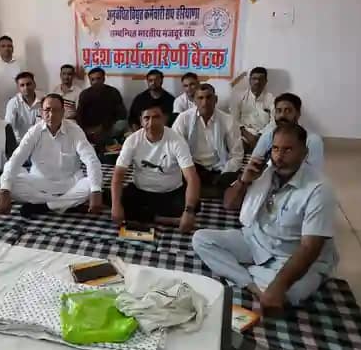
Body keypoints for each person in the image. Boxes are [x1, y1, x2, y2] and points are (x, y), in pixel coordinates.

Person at [192, 123, 338, 311]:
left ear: (304, 153)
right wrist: (244, 180)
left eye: (287, 150)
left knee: (287, 292)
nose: (279, 156)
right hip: (256, 240)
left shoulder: (319, 189)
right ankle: (252, 284)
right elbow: (229, 204)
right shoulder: (264, 172)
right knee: (201, 239)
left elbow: (309, 248)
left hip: (288, 254)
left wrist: (279, 285)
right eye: (275, 149)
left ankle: (244, 274)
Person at [0, 93, 103, 219]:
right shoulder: (34, 132)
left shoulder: (75, 130)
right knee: (9, 183)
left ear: (63, 112)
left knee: (92, 185)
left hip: (69, 185)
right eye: (47, 110)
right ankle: (65, 205)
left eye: (56, 110)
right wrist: (4, 191)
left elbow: (91, 160)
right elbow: (16, 159)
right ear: (41, 112)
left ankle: (44, 206)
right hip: (38, 184)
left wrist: (96, 191)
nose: (51, 114)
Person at [111, 104, 200, 233]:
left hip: (171, 193)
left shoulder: (177, 141)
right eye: (147, 118)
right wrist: (116, 205)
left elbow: (192, 178)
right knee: (113, 199)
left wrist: (189, 211)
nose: (151, 122)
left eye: (156, 117)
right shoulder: (132, 140)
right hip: (141, 192)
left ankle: (148, 218)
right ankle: (168, 220)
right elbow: (118, 175)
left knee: (193, 204)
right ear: (141, 121)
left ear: (164, 119)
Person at [173, 84, 243, 195]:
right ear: (194, 101)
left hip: (219, 168)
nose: (205, 102)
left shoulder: (228, 120)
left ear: (216, 99)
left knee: (236, 180)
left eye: (209, 97)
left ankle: (207, 188)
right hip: (193, 167)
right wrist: (188, 170)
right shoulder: (183, 119)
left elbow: (237, 155)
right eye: (200, 98)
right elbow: (175, 149)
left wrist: (224, 173)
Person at [252, 93, 324, 170]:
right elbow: (254, 163)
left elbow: (313, 172)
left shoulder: (312, 140)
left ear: (298, 114)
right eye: (279, 111)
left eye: (288, 111)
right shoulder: (268, 135)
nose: (282, 115)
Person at [76, 67, 127, 148]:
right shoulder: (85, 94)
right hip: (90, 128)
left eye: (98, 79)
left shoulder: (113, 92)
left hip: (108, 126)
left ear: (103, 79)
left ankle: (102, 142)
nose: (95, 82)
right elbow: (79, 115)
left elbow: (121, 114)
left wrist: (103, 127)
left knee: (122, 124)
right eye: (92, 79)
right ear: (90, 81)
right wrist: (86, 130)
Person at [231, 66, 275, 151]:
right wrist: (247, 135)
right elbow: (234, 120)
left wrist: (261, 136)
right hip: (244, 134)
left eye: (261, 79)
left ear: (266, 81)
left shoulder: (271, 99)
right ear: (249, 80)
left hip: (264, 135)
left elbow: (273, 122)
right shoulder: (239, 97)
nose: (257, 82)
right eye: (254, 79)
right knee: (237, 145)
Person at [0, 35, 24, 117]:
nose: (6, 48)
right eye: (3, 46)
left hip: (18, 106)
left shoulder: (21, 64)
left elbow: (25, 86)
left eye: (9, 46)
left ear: (13, 48)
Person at [5, 71, 45, 142]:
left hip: (41, 141)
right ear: (18, 88)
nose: (26, 88)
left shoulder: (44, 100)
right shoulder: (13, 103)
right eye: (22, 85)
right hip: (20, 142)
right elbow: (9, 126)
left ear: (34, 85)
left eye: (28, 84)